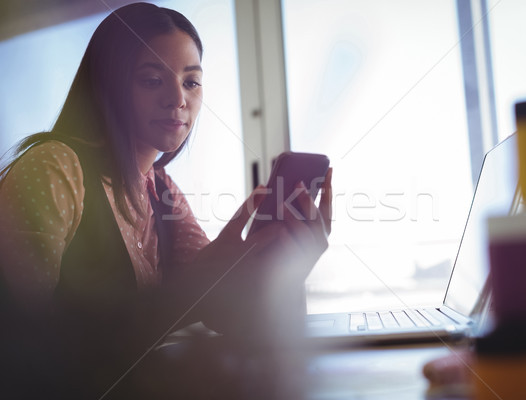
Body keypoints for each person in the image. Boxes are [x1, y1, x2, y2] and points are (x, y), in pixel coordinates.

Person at [0, 2, 332, 398]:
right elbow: (21, 338)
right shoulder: (56, 166)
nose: (178, 99)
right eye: (152, 80)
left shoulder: (163, 190)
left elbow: (222, 312)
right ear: (106, 85)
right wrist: (194, 288)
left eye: (191, 82)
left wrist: (286, 267)